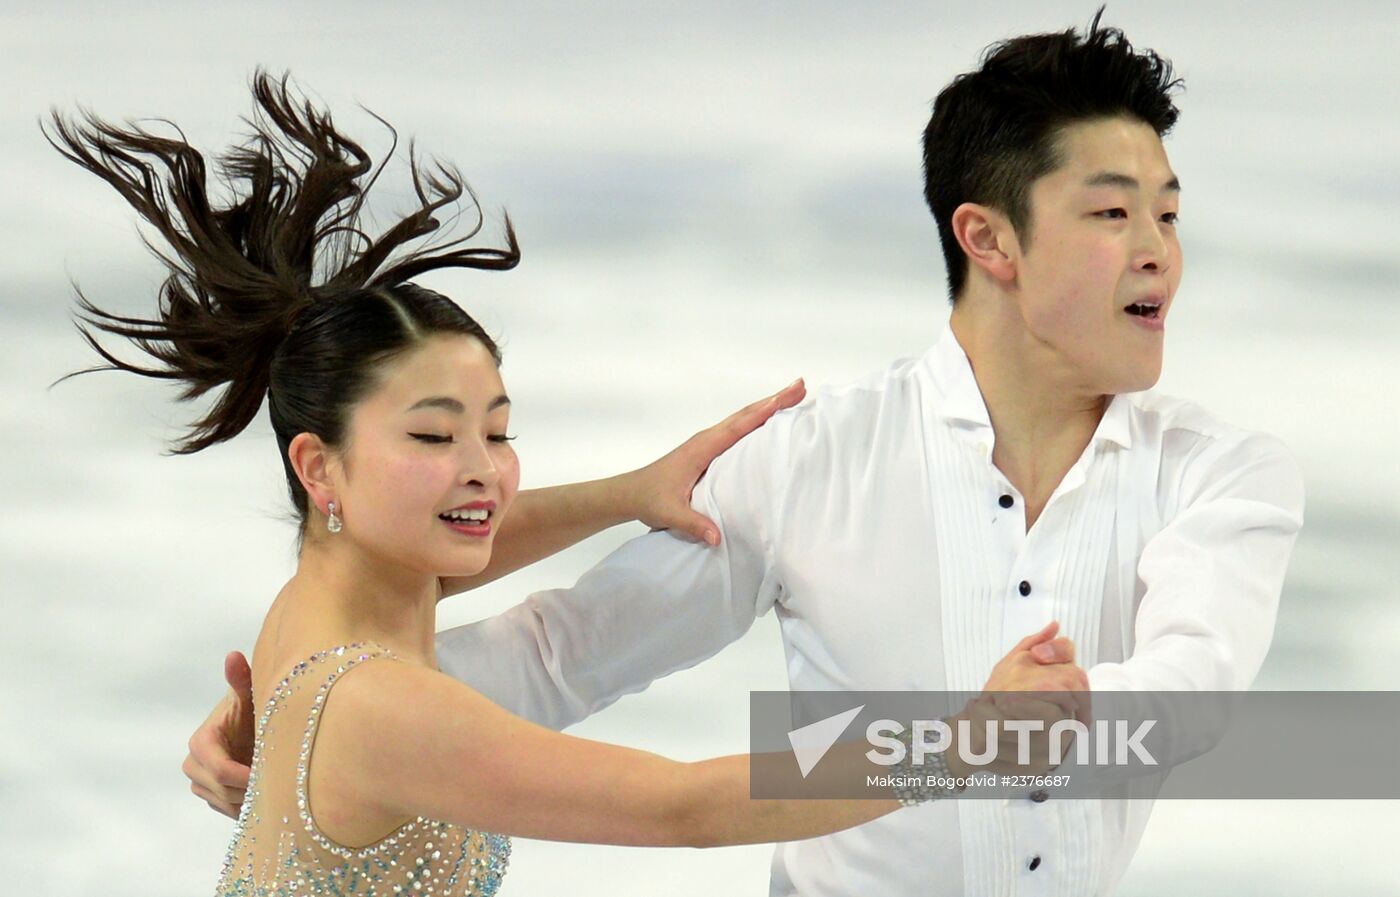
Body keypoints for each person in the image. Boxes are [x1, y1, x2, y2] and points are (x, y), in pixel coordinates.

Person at [187, 8, 1306, 894]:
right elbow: (591, 698)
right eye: (1114, 215)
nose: (1158, 248)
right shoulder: (805, 462)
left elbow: (1186, 699)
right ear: (987, 238)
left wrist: (294, 717)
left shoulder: (1221, 472)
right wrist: (957, 744)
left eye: (1168, 213)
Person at [49, 69, 1085, 897]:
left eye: (496, 434)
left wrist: (628, 492)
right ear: (319, 465)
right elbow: (683, 809)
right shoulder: (381, 706)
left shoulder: (319, 609)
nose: (480, 472)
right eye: (431, 434)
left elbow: (460, 538)